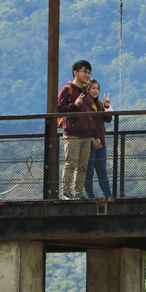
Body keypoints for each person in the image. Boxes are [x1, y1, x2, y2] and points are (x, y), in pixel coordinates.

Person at [56, 60, 93, 199]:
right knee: (71, 163)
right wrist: (73, 105)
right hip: (72, 133)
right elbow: (58, 109)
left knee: (83, 166)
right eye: (85, 72)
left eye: (89, 73)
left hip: (86, 134)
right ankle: (66, 193)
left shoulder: (85, 91)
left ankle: (78, 194)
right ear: (75, 72)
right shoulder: (68, 89)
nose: (87, 75)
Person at [81, 79, 113, 199]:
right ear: (87, 89)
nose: (96, 91)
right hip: (90, 141)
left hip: (101, 141)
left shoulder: (99, 104)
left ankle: (108, 195)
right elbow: (85, 123)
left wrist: (107, 106)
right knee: (89, 171)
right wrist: (93, 138)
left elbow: (108, 119)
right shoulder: (85, 104)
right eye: (93, 88)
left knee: (102, 170)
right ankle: (90, 195)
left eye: (97, 88)